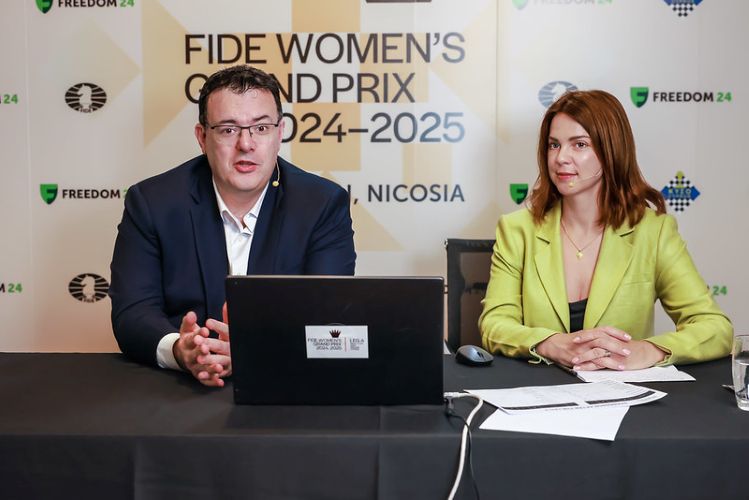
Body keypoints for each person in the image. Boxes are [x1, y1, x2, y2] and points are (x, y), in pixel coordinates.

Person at [109, 65, 356, 386]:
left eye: (261, 128)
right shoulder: (153, 202)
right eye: (228, 129)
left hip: (284, 385)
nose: (246, 144)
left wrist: (255, 351)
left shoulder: (321, 204)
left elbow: (328, 317)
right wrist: (181, 350)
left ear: (280, 133)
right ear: (202, 137)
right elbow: (133, 311)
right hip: (180, 391)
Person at [479, 90, 731, 371]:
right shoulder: (517, 230)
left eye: (579, 144)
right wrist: (550, 344)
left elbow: (715, 328)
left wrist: (650, 350)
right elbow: (495, 324)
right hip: (537, 390)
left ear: (610, 150)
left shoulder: (654, 232)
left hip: (622, 392)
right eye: (553, 145)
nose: (561, 157)